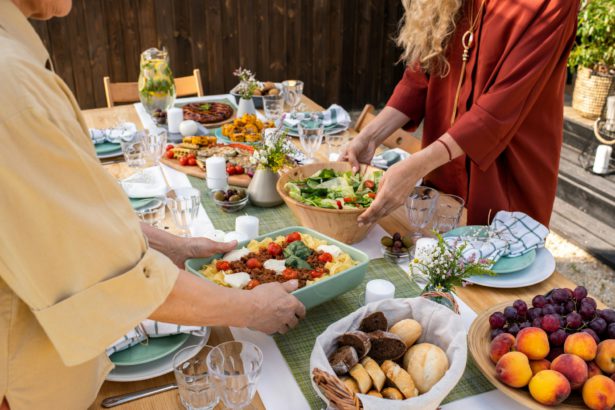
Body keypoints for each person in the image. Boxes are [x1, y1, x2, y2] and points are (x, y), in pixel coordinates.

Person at [0, 0, 304, 408]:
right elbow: (107, 273)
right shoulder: (11, 82)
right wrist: (248, 308)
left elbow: (55, 220)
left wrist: (169, 246)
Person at [344, 0, 579, 228]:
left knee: (489, 263)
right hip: (442, 172)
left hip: (505, 176)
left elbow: (500, 107)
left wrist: (417, 166)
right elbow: (422, 75)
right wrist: (370, 136)